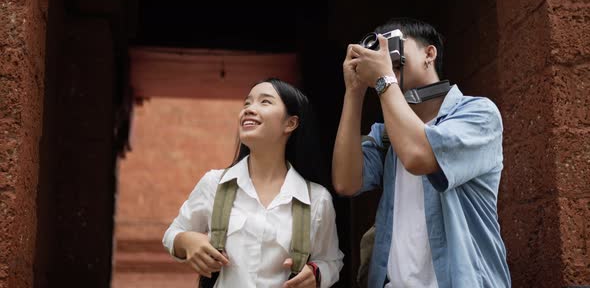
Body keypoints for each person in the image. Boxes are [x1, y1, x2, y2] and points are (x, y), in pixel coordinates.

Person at [332, 18, 511, 287]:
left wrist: (383, 79)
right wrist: (354, 91)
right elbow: (346, 182)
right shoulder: (387, 134)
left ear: (429, 53)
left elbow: (419, 155)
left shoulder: (478, 114)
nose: (384, 55)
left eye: (393, 44)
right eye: (378, 49)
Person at [163, 78, 344, 288]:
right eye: (247, 103)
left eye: (265, 102)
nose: (249, 109)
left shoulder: (317, 199)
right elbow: (172, 234)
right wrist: (187, 242)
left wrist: (317, 273)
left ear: (290, 123)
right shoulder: (214, 184)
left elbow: (331, 260)